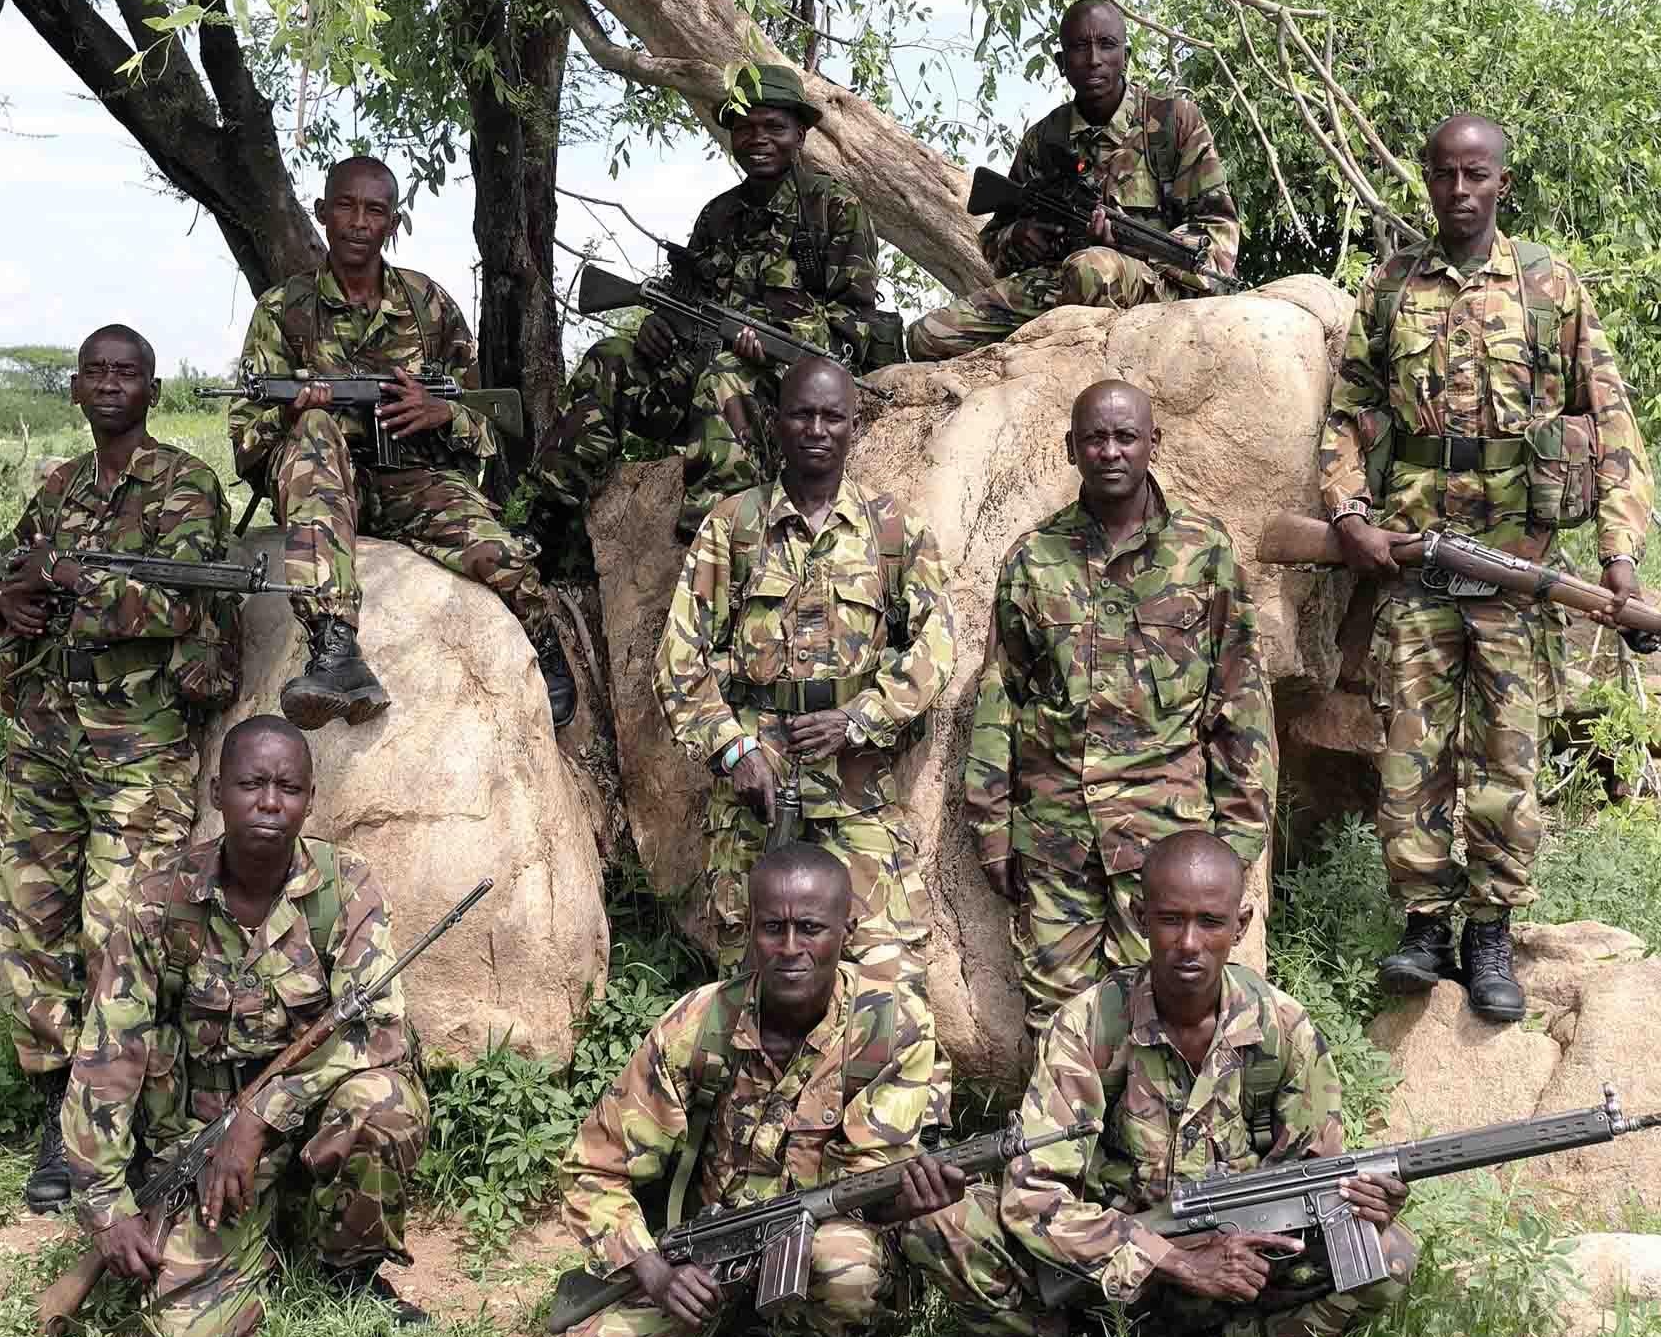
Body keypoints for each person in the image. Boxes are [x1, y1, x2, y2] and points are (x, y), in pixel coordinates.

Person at [1319, 113, 1654, 1022]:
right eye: (1443, 176)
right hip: (1416, 556)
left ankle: (1490, 929)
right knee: (1409, 751)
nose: (1458, 191)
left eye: (1476, 175)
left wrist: (1619, 558)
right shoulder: (1389, 287)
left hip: (1521, 563)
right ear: (1426, 182)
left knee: (1507, 753)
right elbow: (1347, 412)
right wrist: (1348, 516)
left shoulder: (1549, 285)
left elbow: (1613, 422)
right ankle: (1423, 924)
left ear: (1502, 181)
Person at [901, 832, 1418, 1337]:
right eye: (1171, 920)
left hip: (1239, 1271)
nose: (1189, 943)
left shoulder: (1283, 1030)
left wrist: (1359, 1202)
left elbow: (1313, 1175)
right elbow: (1033, 1197)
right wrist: (1174, 1261)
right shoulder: (1091, 1024)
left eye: (1211, 923)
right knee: (943, 1220)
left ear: (1240, 926)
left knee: (1385, 1251)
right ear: (1140, 916)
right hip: (1109, 1274)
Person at [521, 845, 963, 1337]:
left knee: (847, 1269)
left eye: (810, 928)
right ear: (749, 930)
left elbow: (868, 1190)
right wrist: (655, 1274)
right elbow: (592, 1168)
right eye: (771, 928)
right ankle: (721, 1327)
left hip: (818, 1249)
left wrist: (908, 1200)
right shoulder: (699, 1024)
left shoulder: (891, 1027)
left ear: (847, 930)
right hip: (705, 1259)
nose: (789, 949)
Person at [62, 714, 430, 1337]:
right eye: (251, 783)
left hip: (303, 1125)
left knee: (385, 1104)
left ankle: (350, 1271)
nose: (269, 802)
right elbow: (108, 1057)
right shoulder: (159, 902)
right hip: (201, 1148)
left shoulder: (345, 888)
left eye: (288, 787)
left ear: (310, 799)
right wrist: (106, 1209)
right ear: (216, 793)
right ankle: (263, 1231)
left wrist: (261, 1117)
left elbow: (381, 1034)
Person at [0, 323, 229, 1215]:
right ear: (77, 386)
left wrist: (87, 586)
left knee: (117, 931)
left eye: (125, 372)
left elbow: (185, 594)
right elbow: (5, 580)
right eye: (94, 370)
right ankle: (58, 1103)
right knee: (31, 921)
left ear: (151, 392)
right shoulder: (57, 487)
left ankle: (106, 1115)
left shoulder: (185, 483)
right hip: (44, 737)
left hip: (138, 747)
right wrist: (9, 593)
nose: (108, 383)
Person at [965, 378, 1274, 1035]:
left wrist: (1238, 842)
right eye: (1095, 438)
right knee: (1056, 1020)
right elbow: (1000, 699)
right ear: (1071, 448)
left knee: (1170, 1016)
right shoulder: (1033, 558)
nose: (1111, 451)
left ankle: (1154, 1140)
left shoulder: (1204, 553)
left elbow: (1241, 701)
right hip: (1058, 842)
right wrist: (993, 831)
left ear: (1152, 443)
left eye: (1125, 436)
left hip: (1168, 847)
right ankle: (1066, 1138)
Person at [229, 155, 575, 732]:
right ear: (321, 212)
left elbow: (490, 425)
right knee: (316, 430)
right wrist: (291, 413)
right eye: (345, 206)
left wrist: (441, 412)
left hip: (416, 482)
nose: (359, 222)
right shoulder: (282, 310)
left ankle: (544, 642)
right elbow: (245, 438)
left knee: (502, 554)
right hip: (325, 488)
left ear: (393, 222)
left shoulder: (428, 305)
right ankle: (335, 647)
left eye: (375, 210)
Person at [655, 355, 956, 977]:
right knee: (755, 974)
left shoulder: (892, 530)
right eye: (802, 414)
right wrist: (733, 751)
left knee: (888, 970)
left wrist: (858, 717)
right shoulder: (732, 527)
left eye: (832, 416)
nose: (816, 429)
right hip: (757, 794)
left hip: (857, 787)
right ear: (777, 421)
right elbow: (679, 657)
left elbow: (936, 645)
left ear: (854, 425)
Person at [525, 65, 883, 542]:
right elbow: (687, 299)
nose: (759, 139)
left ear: (800, 133)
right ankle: (549, 528)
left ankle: (711, 549)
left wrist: (776, 340)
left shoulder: (833, 209)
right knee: (608, 359)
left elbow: (855, 323)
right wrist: (660, 326)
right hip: (697, 373)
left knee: (724, 379)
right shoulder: (718, 215)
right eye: (745, 127)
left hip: (787, 390)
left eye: (774, 127)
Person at [906, 0, 1239, 362]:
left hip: (1156, 286)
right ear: (1061, 63)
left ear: (1125, 55)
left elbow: (1218, 234)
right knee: (928, 336)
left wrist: (1130, 243)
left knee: (1091, 268)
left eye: (1107, 45)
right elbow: (994, 247)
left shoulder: (1174, 121)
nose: (1094, 59)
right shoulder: (1045, 138)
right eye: (1080, 47)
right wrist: (1021, 238)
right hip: (1058, 283)